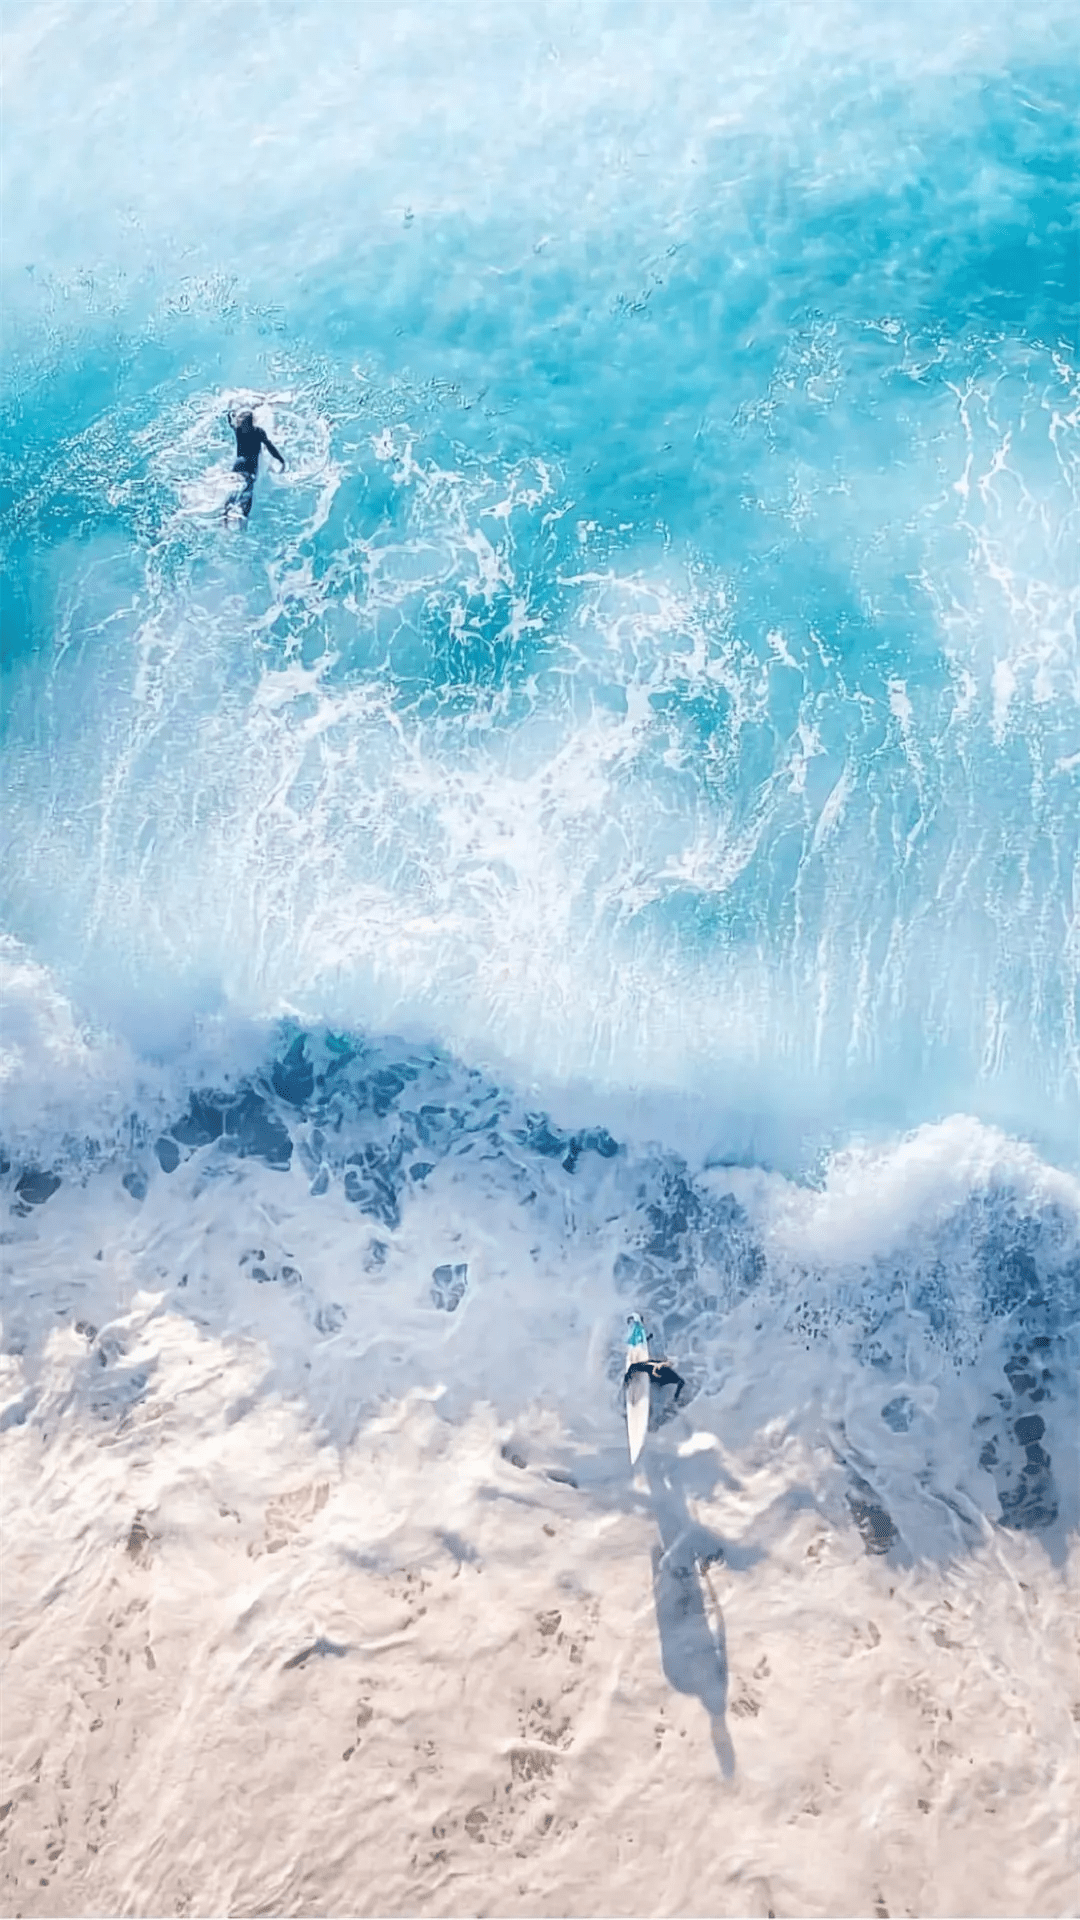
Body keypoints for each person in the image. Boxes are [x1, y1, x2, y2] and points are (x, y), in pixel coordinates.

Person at [224, 405, 284, 524]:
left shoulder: (239, 430)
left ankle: (225, 516)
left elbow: (230, 422)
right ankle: (243, 518)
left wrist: (229, 408)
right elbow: (270, 447)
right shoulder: (258, 432)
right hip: (250, 467)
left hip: (238, 466)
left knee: (234, 491)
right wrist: (280, 459)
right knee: (247, 494)